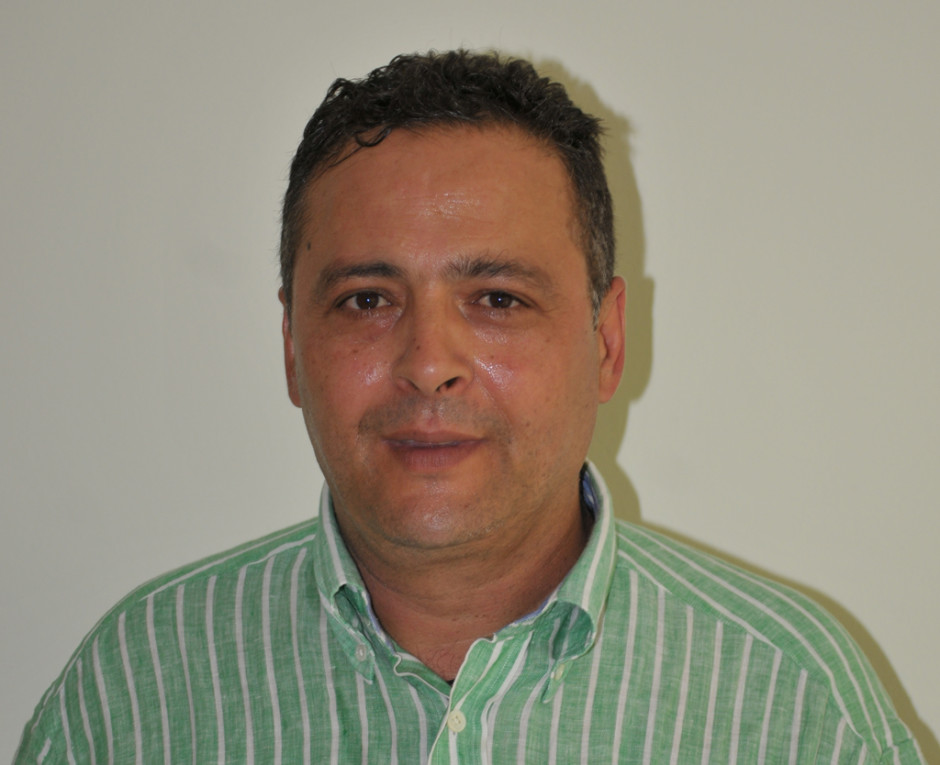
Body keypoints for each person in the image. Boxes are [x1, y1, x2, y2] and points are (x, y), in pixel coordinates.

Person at [15, 50, 923, 764]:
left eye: (497, 298)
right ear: (292, 346)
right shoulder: (132, 693)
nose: (428, 365)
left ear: (607, 341)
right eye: (367, 299)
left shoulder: (796, 704)